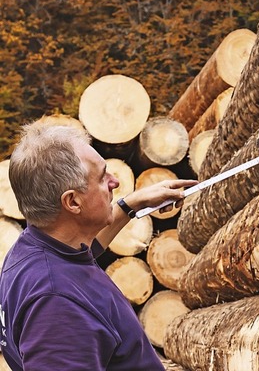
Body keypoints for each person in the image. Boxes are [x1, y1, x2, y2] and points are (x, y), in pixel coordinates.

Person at [0, 122, 198, 370]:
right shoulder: (58, 308)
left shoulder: (35, 249)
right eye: (102, 177)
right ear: (72, 202)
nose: (115, 181)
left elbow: (85, 247)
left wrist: (131, 205)